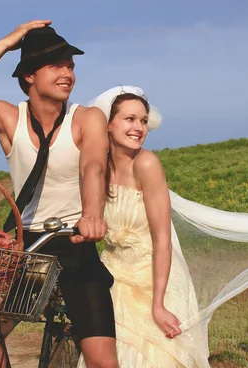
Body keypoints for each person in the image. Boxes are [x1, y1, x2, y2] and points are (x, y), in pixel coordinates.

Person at [0, 20, 119, 368]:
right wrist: (6, 44)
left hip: (75, 239)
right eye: (56, 65)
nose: (68, 73)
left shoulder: (87, 118)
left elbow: (93, 167)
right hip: (28, 245)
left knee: (102, 361)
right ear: (29, 76)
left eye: (70, 66)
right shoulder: (9, 118)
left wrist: (92, 214)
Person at [79, 86, 209, 368]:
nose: (139, 127)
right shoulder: (98, 168)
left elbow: (163, 239)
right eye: (129, 119)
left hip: (155, 277)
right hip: (113, 274)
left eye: (143, 120)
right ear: (108, 125)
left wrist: (159, 305)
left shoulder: (147, 164)